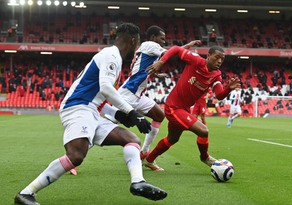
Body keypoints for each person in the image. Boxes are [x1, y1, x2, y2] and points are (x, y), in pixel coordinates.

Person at [14, 23, 167, 205]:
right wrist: (131, 112)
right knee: (76, 156)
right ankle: (26, 193)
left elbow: (98, 96)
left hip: (92, 110)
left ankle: (138, 182)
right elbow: (106, 88)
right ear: (133, 40)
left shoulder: (111, 56)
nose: (137, 48)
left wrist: (118, 115)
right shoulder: (112, 55)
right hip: (78, 107)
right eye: (138, 42)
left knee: (131, 139)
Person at [103, 25, 201, 160]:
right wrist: (188, 45)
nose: (164, 41)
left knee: (159, 115)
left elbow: (141, 69)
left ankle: (144, 151)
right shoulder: (150, 45)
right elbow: (171, 53)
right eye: (162, 38)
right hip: (129, 94)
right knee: (105, 125)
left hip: (138, 94)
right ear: (154, 38)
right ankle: (74, 156)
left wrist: (155, 75)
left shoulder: (147, 49)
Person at [143, 45, 241, 171]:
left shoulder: (216, 75)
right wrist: (161, 61)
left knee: (172, 139)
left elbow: (220, 95)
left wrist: (228, 88)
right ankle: (205, 157)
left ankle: (149, 160)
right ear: (208, 56)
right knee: (204, 131)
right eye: (217, 57)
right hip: (173, 107)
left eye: (222, 59)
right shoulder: (197, 61)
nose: (219, 61)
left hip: (184, 109)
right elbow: (176, 49)